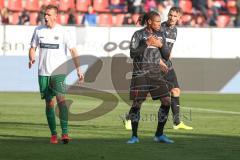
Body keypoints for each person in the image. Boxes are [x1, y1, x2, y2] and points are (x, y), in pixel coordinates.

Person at [28, 5, 84, 144]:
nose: (45, 17)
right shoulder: (38, 30)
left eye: (48, 14)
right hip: (43, 72)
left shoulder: (63, 31)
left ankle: (65, 133)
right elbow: (33, 47)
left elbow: (73, 51)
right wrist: (31, 57)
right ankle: (53, 134)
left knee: (61, 99)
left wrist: (78, 69)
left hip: (59, 72)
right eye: (44, 14)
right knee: (49, 103)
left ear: (55, 16)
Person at [126, 11, 174, 144]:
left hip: (155, 74)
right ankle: (134, 136)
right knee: (137, 103)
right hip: (140, 73)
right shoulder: (138, 34)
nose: (159, 24)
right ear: (149, 22)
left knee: (166, 101)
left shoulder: (161, 35)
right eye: (157, 22)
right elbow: (132, 53)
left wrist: (161, 45)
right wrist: (146, 43)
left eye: (160, 22)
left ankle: (159, 134)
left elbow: (166, 55)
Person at [160, 7, 193, 130]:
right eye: (170, 15)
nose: (172, 18)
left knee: (176, 91)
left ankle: (177, 123)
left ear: (179, 18)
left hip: (167, 64)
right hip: (156, 65)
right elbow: (153, 47)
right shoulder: (160, 28)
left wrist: (169, 56)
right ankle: (130, 118)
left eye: (175, 16)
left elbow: (169, 46)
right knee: (145, 95)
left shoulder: (175, 31)